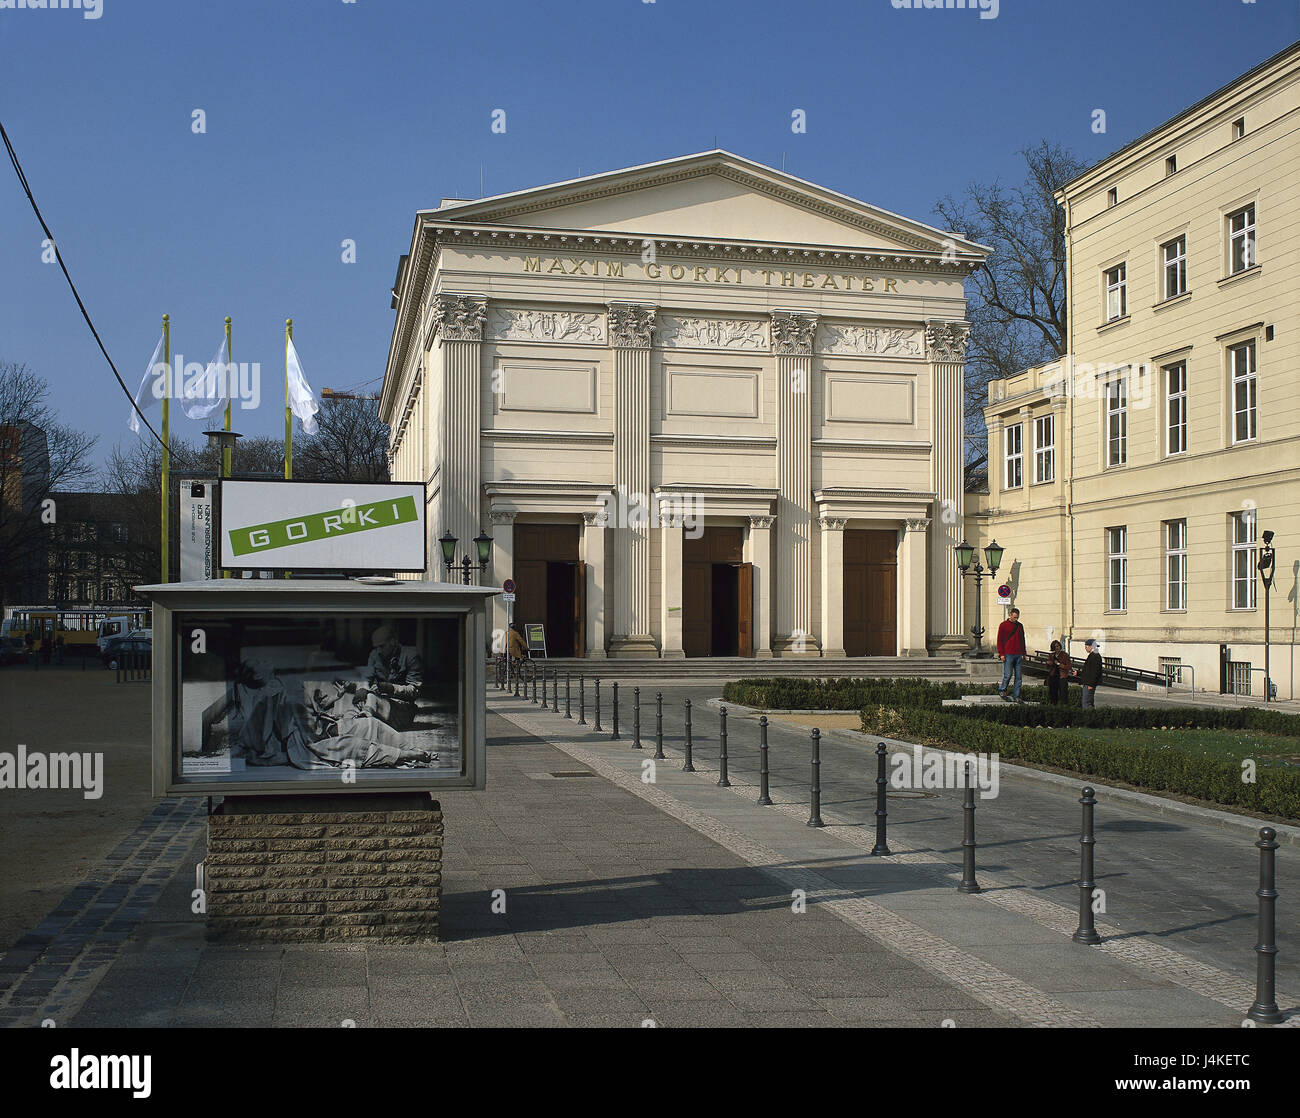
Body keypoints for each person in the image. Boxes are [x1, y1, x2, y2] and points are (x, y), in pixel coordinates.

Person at [996, 607, 1027, 702]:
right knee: (1008, 674)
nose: (1016, 619)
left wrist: (1024, 652)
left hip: (1018, 654)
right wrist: (1001, 654)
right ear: (1010, 615)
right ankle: (1002, 689)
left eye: (1017, 617)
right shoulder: (1003, 625)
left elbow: (1022, 640)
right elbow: (999, 640)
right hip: (1008, 654)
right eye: (1014, 617)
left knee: (1018, 677)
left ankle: (1016, 695)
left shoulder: (1020, 626)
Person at [1046, 639, 1072, 706]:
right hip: (1053, 676)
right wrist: (1049, 663)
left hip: (1062, 677)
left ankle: (1063, 708)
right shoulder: (1051, 655)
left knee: (1063, 695)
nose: (1056, 648)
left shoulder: (1065, 655)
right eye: (1055, 647)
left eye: (1057, 646)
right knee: (1053, 695)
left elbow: (1069, 666)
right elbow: (1047, 667)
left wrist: (1059, 664)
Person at [1079, 638, 1104, 708]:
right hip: (1088, 682)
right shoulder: (1093, 655)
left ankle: (1088, 717)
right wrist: (1078, 673)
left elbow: (1095, 672)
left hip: (1089, 683)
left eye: (1086, 647)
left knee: (1086, 702)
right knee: (1088, 701)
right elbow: (1087, 670)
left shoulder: (1095, 656)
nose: (1085, 648)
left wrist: (1091, 684)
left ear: (1091, 646)